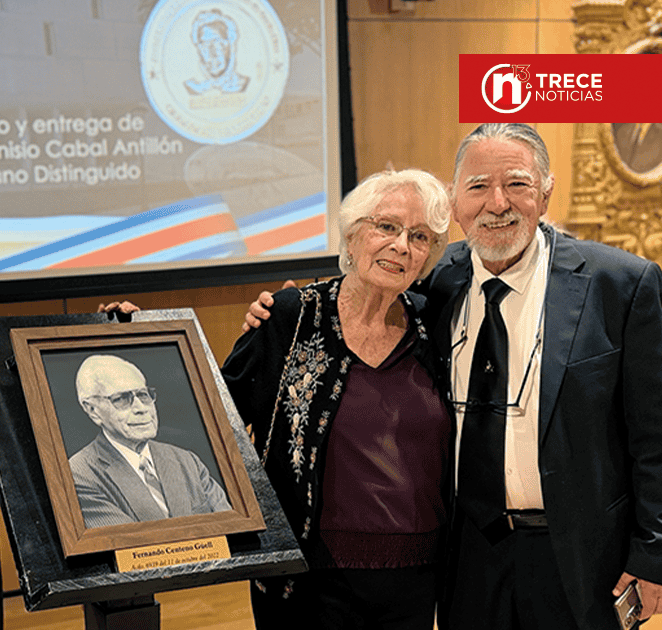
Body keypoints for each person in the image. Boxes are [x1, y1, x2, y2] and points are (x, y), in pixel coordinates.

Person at [246, 123, 662, 629]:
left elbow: (654, 435)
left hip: (578, 553)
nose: (497, 203)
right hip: (467, 554)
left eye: (517, 184)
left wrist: (652, 556)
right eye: (479, 187)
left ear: (546, 192)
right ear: (454, 198)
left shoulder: (619, 284)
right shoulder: (440, 284)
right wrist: (283, 312)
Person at [222, 168, 453, 629]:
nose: (401, 245)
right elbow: (212, 415)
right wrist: (133, 337)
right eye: (386, 226)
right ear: (351, 236)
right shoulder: (289, 317)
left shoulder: (438, 328)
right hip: (307, 578)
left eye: (420, 236)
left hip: (415, 576)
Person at [69, 354, 232, 529]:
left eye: (143, 395)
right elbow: (135, 547)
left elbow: (231, 528)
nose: (141, 408)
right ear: (93, 410)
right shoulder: (79, 475)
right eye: (121, 399)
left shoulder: (186, 460)